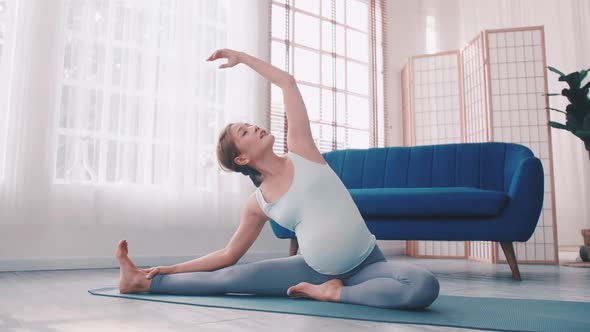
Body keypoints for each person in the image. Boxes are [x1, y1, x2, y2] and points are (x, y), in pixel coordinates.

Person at [115, 48, 440, 310]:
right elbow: (228, 256)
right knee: (228, 279)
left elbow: (287, 83)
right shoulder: (257, 204)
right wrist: (169, 269)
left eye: (249, 124)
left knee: (424, 286)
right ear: (242, 158)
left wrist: (242, 58)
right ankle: (140, 282)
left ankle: (333, 294)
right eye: (245, 131)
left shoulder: (302, 150)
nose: (255, 126)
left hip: (369, 265)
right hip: (310, 269)